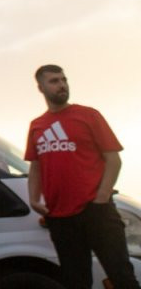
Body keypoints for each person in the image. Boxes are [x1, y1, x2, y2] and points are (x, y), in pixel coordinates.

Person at [25, 65, 137, 289]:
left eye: (63, 79)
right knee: (76, 281)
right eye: (54, 81)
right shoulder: (37, 126)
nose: (62, 85)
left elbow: (113, 159)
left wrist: (102, 197)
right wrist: (34, 199)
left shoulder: (88, 115)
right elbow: (35, 166)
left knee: (121, 275)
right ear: (41, 87)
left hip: (96, 211)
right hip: (60, 217)